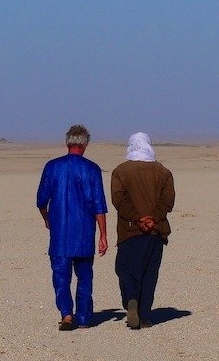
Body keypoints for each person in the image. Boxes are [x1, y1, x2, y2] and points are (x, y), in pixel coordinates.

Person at [36, 124, 108, 331]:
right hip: (84, 233)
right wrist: (103, 235)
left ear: (67, 143)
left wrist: (47, 218)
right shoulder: (92, 169)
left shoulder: (52, 167)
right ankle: (83, 318)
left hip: (60, 233)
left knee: (61, 277)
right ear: (85, 144)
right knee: (84, 276)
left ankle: (67, 315)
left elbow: (41, 201)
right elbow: (98, 205)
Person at [109, 132, 176, 330]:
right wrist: (152, 219)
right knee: (149, 272)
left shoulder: (120, 171)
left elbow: (119, 200)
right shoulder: (163, 172)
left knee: (126, 269)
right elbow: (167, 201)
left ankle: (131, 299)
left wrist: (138, 219)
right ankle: (145, 315)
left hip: (129, 231)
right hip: (155, 231)